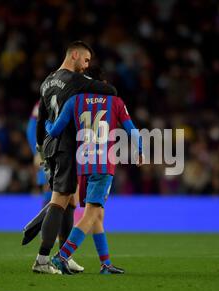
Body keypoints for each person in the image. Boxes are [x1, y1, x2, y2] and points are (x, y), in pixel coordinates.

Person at [30, 41, 117, 274]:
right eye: (86, 60)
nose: (86, 66)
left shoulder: (47, 81)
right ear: (75, 55)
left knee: (70, 202)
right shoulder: (75, 80)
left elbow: (41, 121)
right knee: (59, 199)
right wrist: (93, 87)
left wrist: (40, 149)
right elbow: (111, 91)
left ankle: (64, 257)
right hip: (67, 146)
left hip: (50, 146)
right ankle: (42, 259)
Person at [44, 74, 144, 275]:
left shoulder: (75, 101)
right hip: (103, 164)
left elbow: (55, 131)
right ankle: (61, 256)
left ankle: (105, 264)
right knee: (91, 213)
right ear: (104, 85)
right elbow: (131, 129)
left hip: (83, 164)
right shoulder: (115, 102)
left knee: (98, 214)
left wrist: (46, 124)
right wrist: (140, 149)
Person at [24, 101, 84, 273]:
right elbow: (32, 126)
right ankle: (46, 239)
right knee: (55, 193)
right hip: (52, 152)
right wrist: (38, 151)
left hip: (67, 152)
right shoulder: (50, 96)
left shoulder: (72, 93)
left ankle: (64, 255)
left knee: (70, 198)